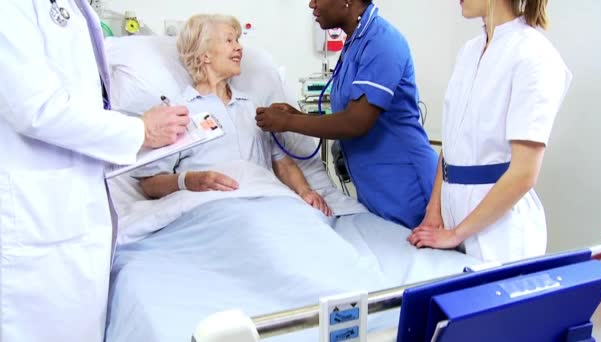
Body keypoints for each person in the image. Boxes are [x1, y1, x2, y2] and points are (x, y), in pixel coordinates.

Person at [0, 1, 190, 341]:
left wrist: (137, 134)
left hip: (75, 214)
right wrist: (139, 131)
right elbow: (35, 108)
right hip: (34, 223)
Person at [407, 0, 572, 263]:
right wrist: (434, 210)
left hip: (501, 235)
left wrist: (456, 234)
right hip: (452, 222)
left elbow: (524, 174)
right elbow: (452, 146)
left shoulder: (534, 55)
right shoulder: (469, 52)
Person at [255, 0, 438, 229]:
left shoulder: (382, 42)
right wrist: (297, 115)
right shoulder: (355, 43)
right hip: (376, 187)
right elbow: (346, 115)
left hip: (405, 183)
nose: (311, 4)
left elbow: (356, 122)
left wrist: (289, 122)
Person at [133, 14, 331, 217]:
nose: (239, 47)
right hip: (211, 209)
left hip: (265, 203)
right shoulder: (177, 112)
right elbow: (150, 183)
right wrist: (189, 180)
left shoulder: (253, 108)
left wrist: (306, 191)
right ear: (205, 55)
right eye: (229, 40)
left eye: (238, 40)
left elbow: (282, 163)